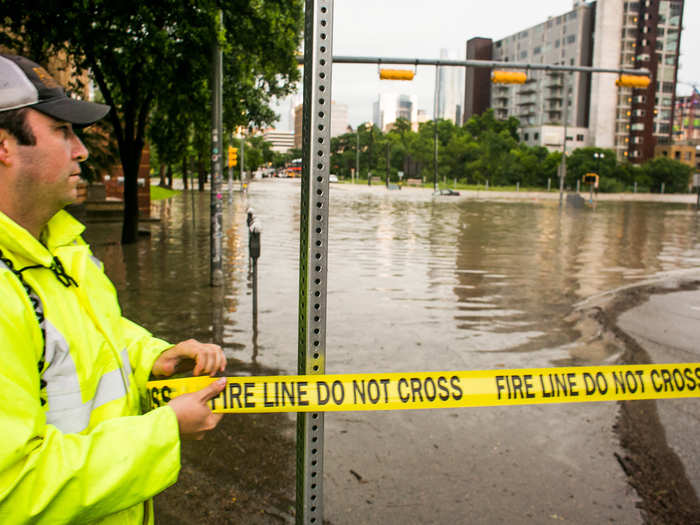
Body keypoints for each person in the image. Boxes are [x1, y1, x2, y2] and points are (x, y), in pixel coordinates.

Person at [0, 53, 228, 524]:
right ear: (4, 146)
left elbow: (99, 340)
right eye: (62, 131)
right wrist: (164, 431)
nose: (81, 150)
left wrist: (153, 359)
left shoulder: (62, 248)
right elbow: (15, 491)